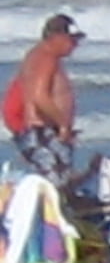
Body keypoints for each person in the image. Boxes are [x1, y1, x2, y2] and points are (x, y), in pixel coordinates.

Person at [5, 14, 83, 178]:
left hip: (43, 132)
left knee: (60, 182)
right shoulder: (45, 58)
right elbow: (39, 96)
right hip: (43, 134)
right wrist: (63, 125)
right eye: (72, 40)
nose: (75, 45)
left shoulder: (40, 55)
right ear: (57, 37)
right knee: (57, 184)